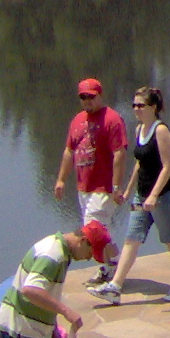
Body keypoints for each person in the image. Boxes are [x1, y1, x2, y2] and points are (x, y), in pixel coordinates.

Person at [93, 86, 170, 303]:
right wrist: (129, 191)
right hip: (142, 194)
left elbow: (167, 166)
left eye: (140, 105)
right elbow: (140, 163)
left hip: (165, 195)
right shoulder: (139, 129)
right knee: (131, 239)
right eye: (134, 105)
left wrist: (154, 196)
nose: (136, 109)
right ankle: (115, 286)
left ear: (153, 107)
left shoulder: (160, 130)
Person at [54, 78, 129, 284]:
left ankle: (112, 268)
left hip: (103, 187)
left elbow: (120, 153)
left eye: (91, 96)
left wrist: (116, 186)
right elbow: (69, 151)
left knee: (94, 230)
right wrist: (61, 180)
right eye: (83, 97)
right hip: (84, 187)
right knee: (100, 230)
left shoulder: (112, 119)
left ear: (99, 95)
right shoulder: (78, 120)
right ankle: (110, 266)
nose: (87, 101)